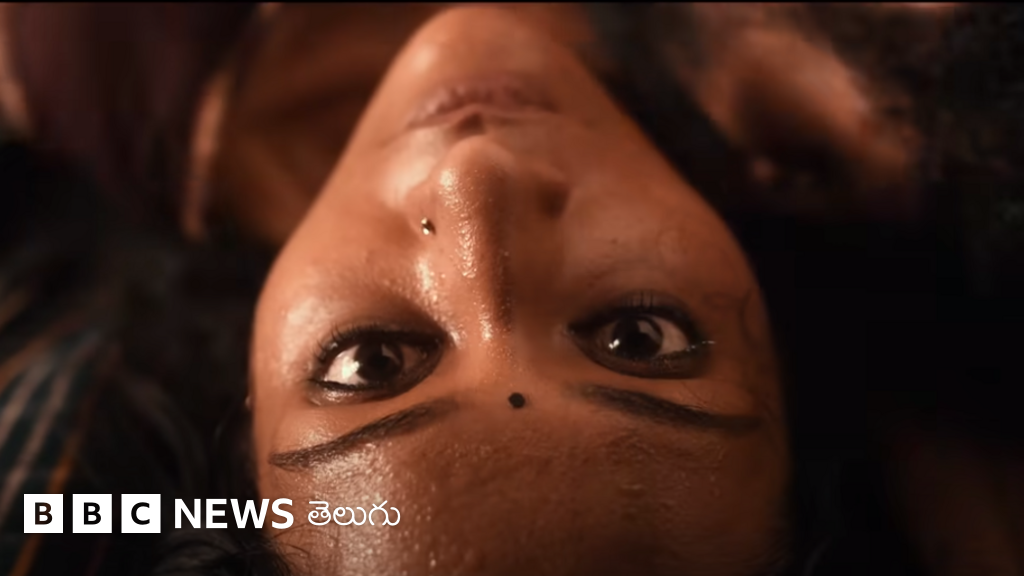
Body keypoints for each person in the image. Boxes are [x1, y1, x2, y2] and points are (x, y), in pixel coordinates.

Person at [1, 3, 1022, 576]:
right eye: (635, 337)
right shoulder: (886, 99)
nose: (473, 182)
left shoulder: (115, 73)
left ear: (243, 428)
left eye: (372, 361)